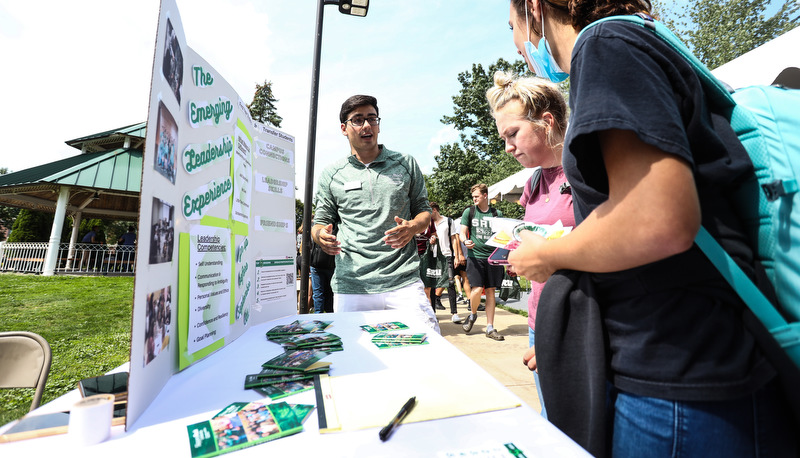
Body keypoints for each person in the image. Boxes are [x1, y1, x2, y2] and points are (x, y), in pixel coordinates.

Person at [505, 1, 798, 456]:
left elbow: (656, 219)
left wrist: (545, 255)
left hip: (679, 378)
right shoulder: (639, 38)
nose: (522, 46)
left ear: (535, 8)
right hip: (703, 368)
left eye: (514, 29)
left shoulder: (603, 45)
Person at [486, 70, 573, 418]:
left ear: (546, 121)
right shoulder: (533, 182)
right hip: (541, 318)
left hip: (575, 321)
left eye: (512, 134)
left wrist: (565, 335)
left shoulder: (589, 172)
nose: (508, 147)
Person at [312, 94, 438, 332]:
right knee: (355, 357)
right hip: (352, 285)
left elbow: (424, 211)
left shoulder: (405, 163)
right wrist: (321, 236)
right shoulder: (332, 173)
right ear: (344, 128)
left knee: (427, 347)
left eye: (372, 118)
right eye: (357, 120)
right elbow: (320, 222)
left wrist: (412, 227)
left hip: (404, 282)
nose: (367, 125)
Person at [460, 184, 505, 341]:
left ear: (485, 195)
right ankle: (473, 315)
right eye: (473, 197)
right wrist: (465, 241)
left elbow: (502, 235)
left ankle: (490, 327)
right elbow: (461, 232)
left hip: (492, 258)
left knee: (491, 291)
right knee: (477, 289)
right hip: (475, 256)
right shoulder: (469, 212)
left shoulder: (496, 213)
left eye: (477, 196)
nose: (474, 199)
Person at [428, 202, 466, 323]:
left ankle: (454, 313)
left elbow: (454, 239)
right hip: (433, 256)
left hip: (447, 255)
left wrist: (456, 255)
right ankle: (433, 312)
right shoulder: (428, 223)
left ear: (434, 210)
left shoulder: (448, 221)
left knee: (450, 283)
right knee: (433, 284)